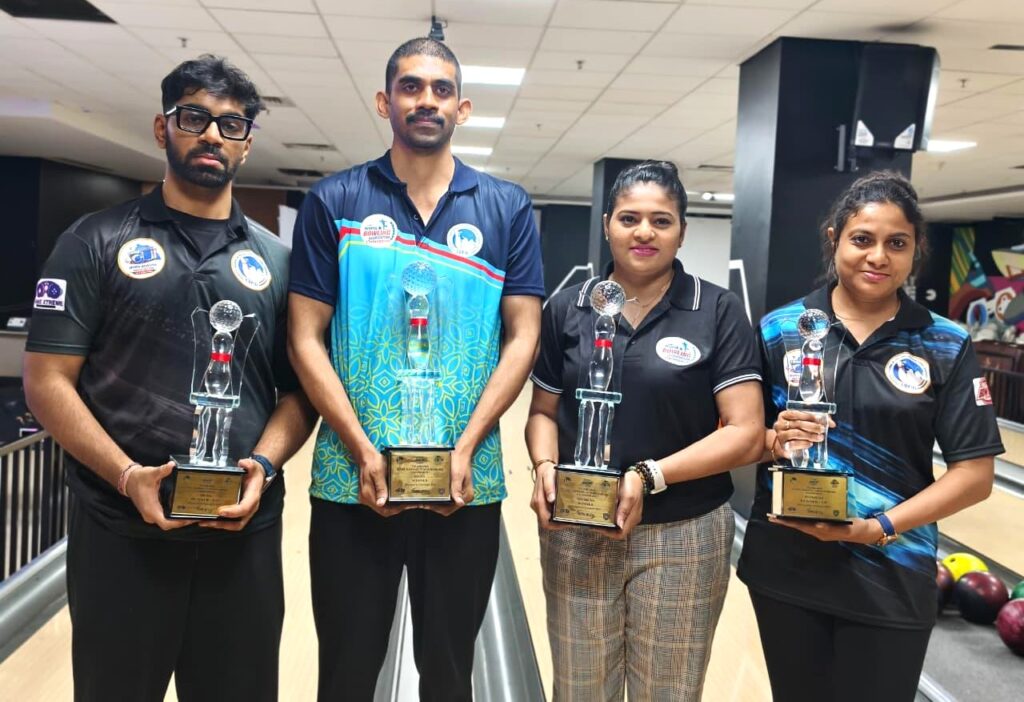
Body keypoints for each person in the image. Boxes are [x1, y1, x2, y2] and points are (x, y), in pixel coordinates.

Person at [22, 55, 315, 702]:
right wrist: (128, 476)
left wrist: (262, 468)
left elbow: (299, 397)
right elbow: (46, 379)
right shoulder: (93, 241)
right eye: (196, 118)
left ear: (247, 143)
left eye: (232, 125)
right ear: (163, 129)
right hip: (121, 531)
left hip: (243, 534)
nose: (213, 135)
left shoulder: (279, 261)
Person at [287, 38, 543, 701]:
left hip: (467, 482)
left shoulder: (507, 207)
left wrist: (465, 446)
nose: (425, 99)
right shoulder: (334, 200)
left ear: (462, 106)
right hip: (351, 480)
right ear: (385, 101)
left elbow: (523, 335)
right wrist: (362, 448)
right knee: (345, 674)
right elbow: (305, 337)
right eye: (410, 86)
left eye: (438, 89)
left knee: (450, 673)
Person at [737, 171, 1002, 702]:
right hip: (788, 568)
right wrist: (773, 439)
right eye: (863, 239)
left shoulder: (944, 343)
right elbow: (737, 436)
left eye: (896, 243)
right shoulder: (779, 329)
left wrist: (878, 526)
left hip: (894, 570)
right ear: (835, 238)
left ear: (915, 251)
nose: (878, 256)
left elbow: (975, 475)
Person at [526, 160, 765, 701]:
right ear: (607, 223)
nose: (643, 232)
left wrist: (649, 475)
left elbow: (746, 431)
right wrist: (544, 468)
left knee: (669, 692)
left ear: (682, 230)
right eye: (630, 218)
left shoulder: (717, 310)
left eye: (662, 220)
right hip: (577, 528)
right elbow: (542, 412)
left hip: (682, 534)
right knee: (580, 688)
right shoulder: (568, 307)